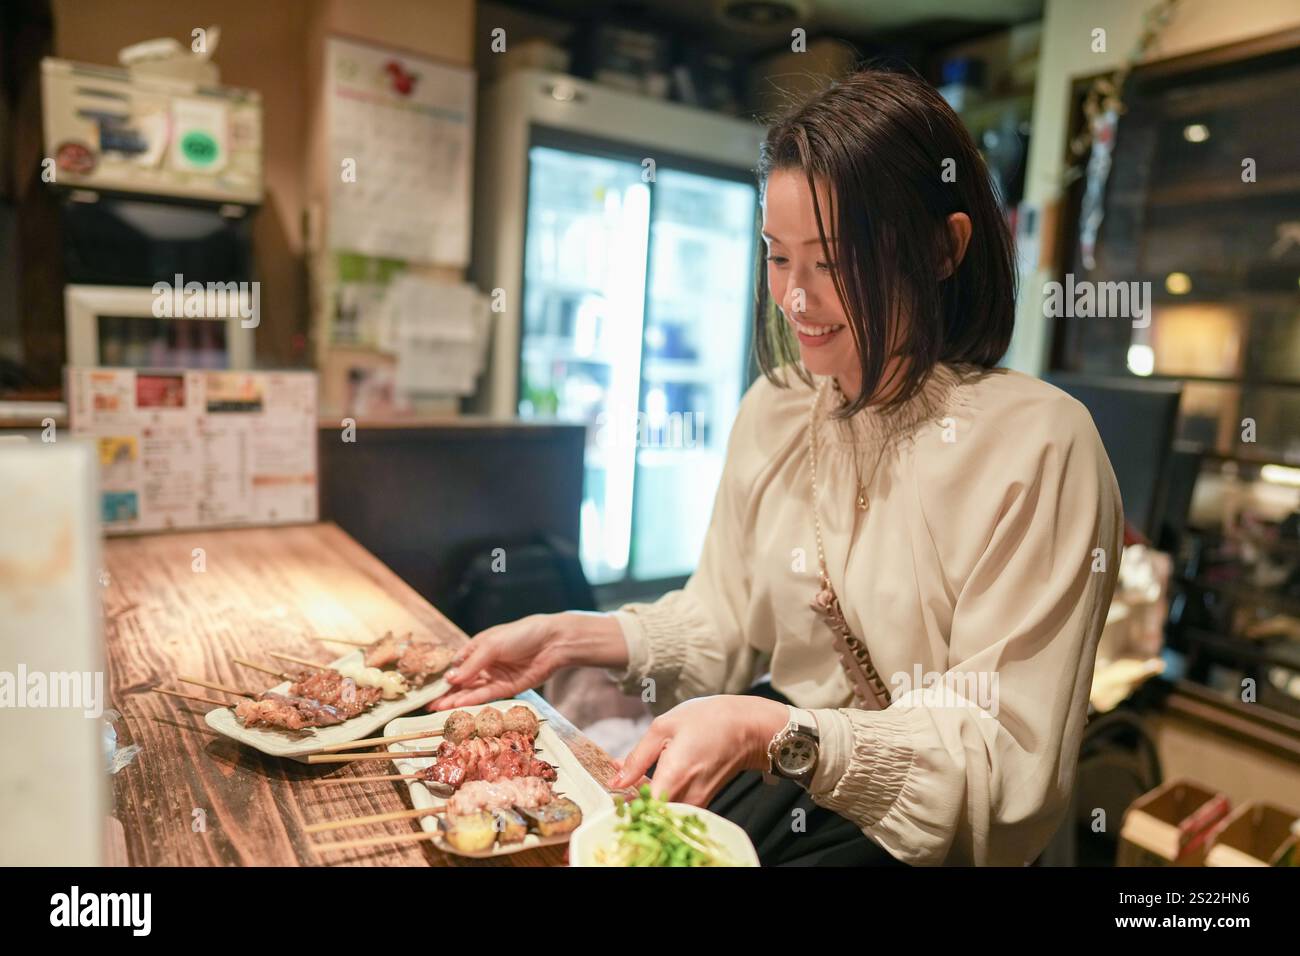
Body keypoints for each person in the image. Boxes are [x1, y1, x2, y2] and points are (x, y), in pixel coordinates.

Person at [430, 67, 1124, 866]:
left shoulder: (1038, 445)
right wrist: (570, 637)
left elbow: (1000, 763)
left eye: (830, 261)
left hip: (924, 835)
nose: (796, 299)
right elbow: (726, 618)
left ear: (944, 248)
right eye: (777, 257)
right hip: (783, 765)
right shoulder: (780, 406)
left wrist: (776, 732)